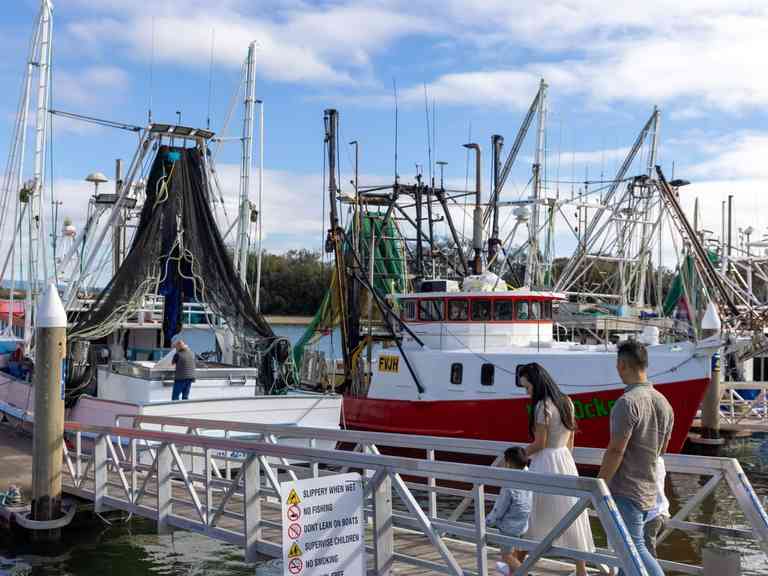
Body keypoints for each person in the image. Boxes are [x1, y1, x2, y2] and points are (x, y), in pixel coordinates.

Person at [598, 340, 673, 576]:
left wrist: (599, 483)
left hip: (626, 487)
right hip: (649, 486)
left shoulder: (626, 402)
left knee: (632, 548)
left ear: (622, 365)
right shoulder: (664, 403)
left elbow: (616, 450)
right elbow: (662, 449)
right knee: (626, 556)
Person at [517, 362, 596, 576]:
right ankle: (581, 570)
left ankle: (520, 564)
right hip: (565, 460)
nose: (527, 392)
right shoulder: (566, 401)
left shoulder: (542, 407)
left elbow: (540, 443)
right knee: (571, 513)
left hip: (545, 462)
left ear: (536, 383)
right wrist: (565, 459)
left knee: (535, 512)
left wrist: (520, 454)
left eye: (527, 387)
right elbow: (570, 441)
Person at [486, 447, 532, 575]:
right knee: (515, 552)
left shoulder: (509, 485)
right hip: (524, 524)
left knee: (506, 555)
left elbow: (500, 508)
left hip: (509, 527)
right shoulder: (530, 476)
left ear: (509, 463)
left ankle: (525, 574)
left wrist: (488, 521)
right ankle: (513, 573)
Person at [644, 456, 670, 558]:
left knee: (646, 558)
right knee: (646, 556)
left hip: (650, 516)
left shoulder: (642, 459)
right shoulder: (659, 459)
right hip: (663, 512)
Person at [171, 334, 196, 401]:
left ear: (178, 348)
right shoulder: (191, 353)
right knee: (185, 397)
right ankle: (184, 410)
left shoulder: (178, 354)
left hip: (181, 378)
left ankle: (175, 410)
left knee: (175, 397)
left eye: (176, 348)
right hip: (190, 378)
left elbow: (172, 364)